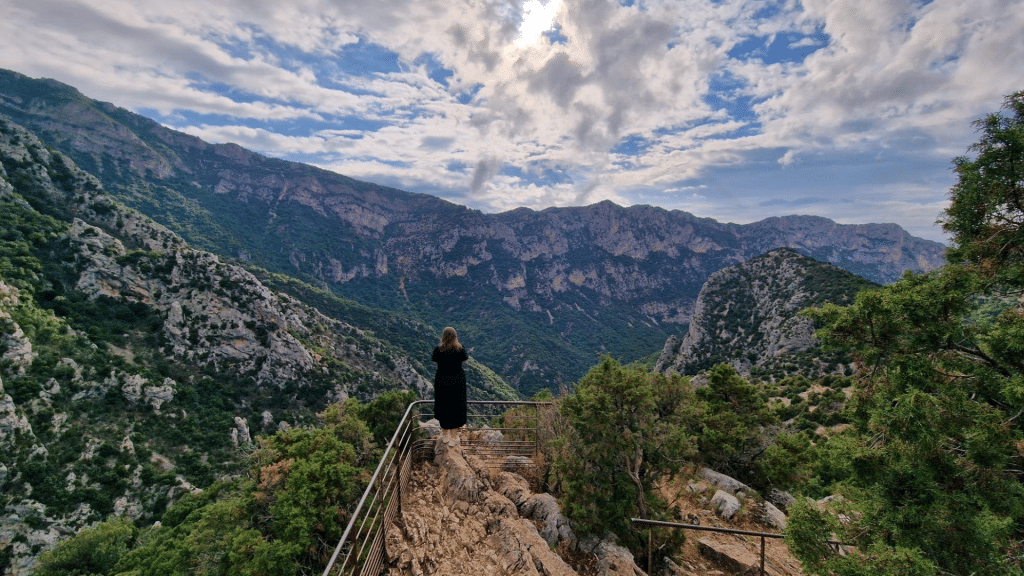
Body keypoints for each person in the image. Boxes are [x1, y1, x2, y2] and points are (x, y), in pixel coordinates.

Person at [432, 326, 468, 446]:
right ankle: (453, 437)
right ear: (455, 336)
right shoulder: (460, 349)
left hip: (442, 381)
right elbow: (464, 359)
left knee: (444, 406)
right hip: (457, 382)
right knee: (456, 406)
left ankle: (445, 435)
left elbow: (435, 360)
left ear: (443, 336)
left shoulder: (438, 350)